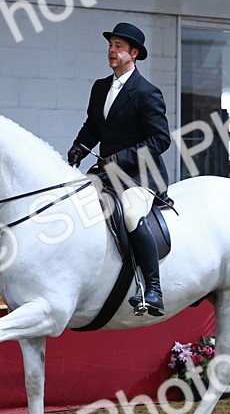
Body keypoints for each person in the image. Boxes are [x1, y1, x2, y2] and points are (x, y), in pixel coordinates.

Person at [67, 22, 172, 316]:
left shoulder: (147, 92)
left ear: (134, 54)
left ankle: (153, 289)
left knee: (131, 214)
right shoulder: (100, 87)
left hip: (139, 175)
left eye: (119, 47)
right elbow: (93, 126)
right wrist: (79, 145)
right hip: (106, 172)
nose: (112, 51)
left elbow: (161, 140)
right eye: (110, 46)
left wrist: (123, 157)